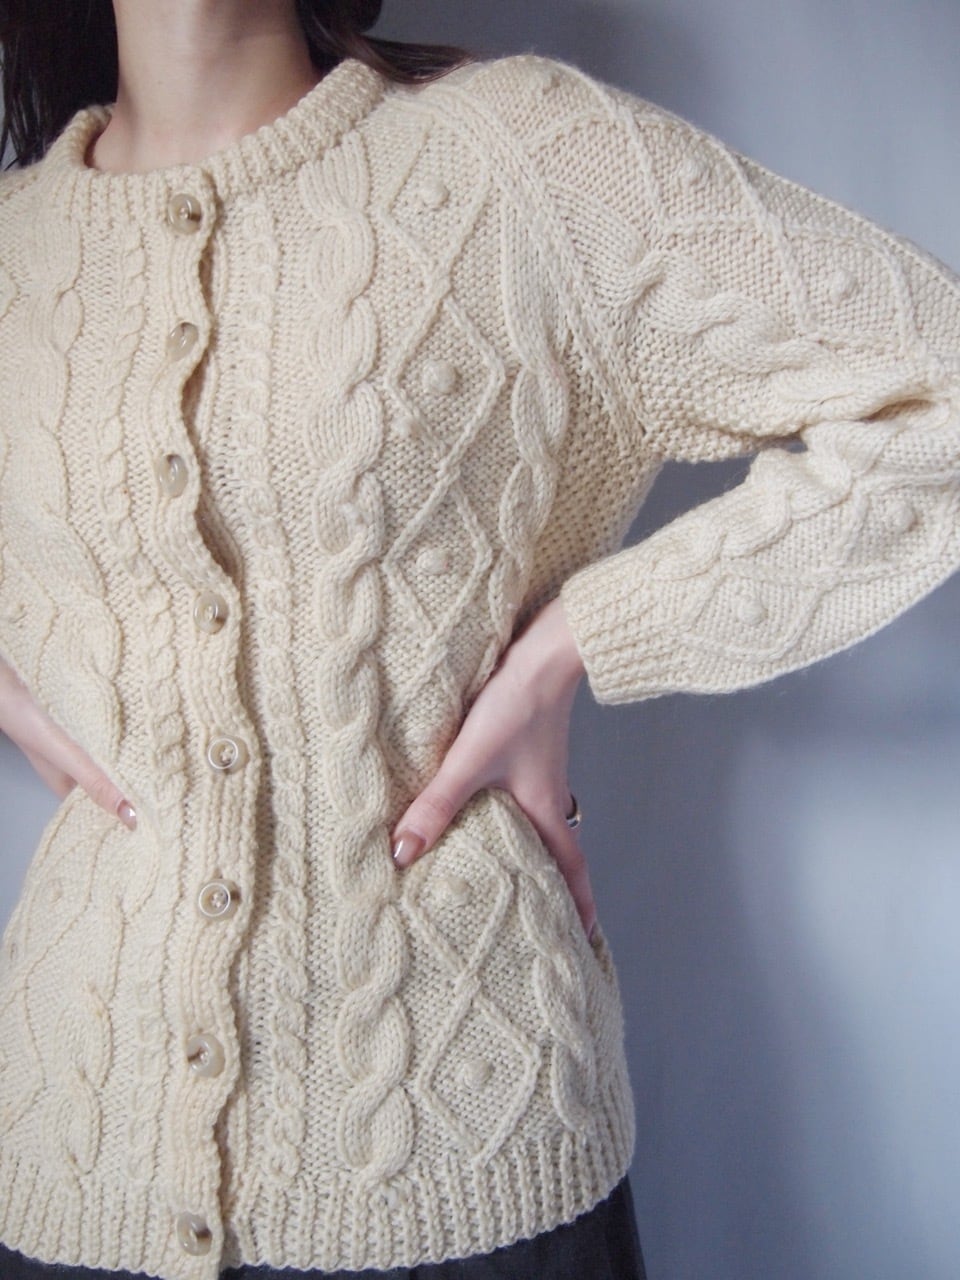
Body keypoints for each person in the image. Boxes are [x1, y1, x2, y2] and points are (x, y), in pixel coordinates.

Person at [0, 2, 958, 1278]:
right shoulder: (16, 247)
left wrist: (582, 638)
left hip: (465, 1144)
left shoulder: (518, 160)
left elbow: (939, 383)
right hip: (76, 1147)